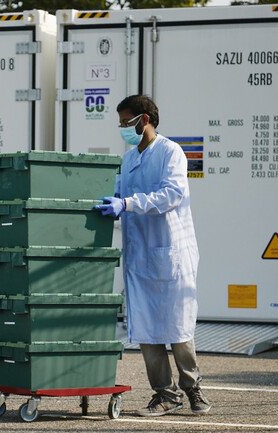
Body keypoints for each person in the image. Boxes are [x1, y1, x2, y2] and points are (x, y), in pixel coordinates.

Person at [94, 95, 211, 417]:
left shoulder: (170, 152)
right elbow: (118, 191)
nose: (122, 128)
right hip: (140, 255)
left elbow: (172, 194)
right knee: (146, 329)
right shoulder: (129, 158)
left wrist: (128, 204)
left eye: (125, 122)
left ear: (144, 119)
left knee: (178, 329)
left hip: (171, 252)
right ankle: (165, 393)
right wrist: (111, 202)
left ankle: (193, 389)